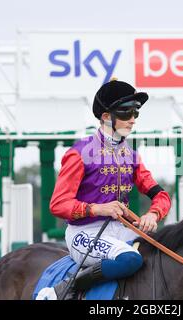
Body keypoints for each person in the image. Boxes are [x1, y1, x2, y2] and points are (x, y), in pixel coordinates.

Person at [49, 79, 171, 299]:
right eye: (126, 113)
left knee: (167, 252)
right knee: (129, 259)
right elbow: (58, 204)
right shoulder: (79, 152)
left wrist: (153, 214)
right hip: (84, 232)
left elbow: (161, 195)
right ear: (106, 116)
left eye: (135, 113)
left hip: (120, 229)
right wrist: (97, 209)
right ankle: (65, 289)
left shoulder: (131, 156)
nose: (132, 120)